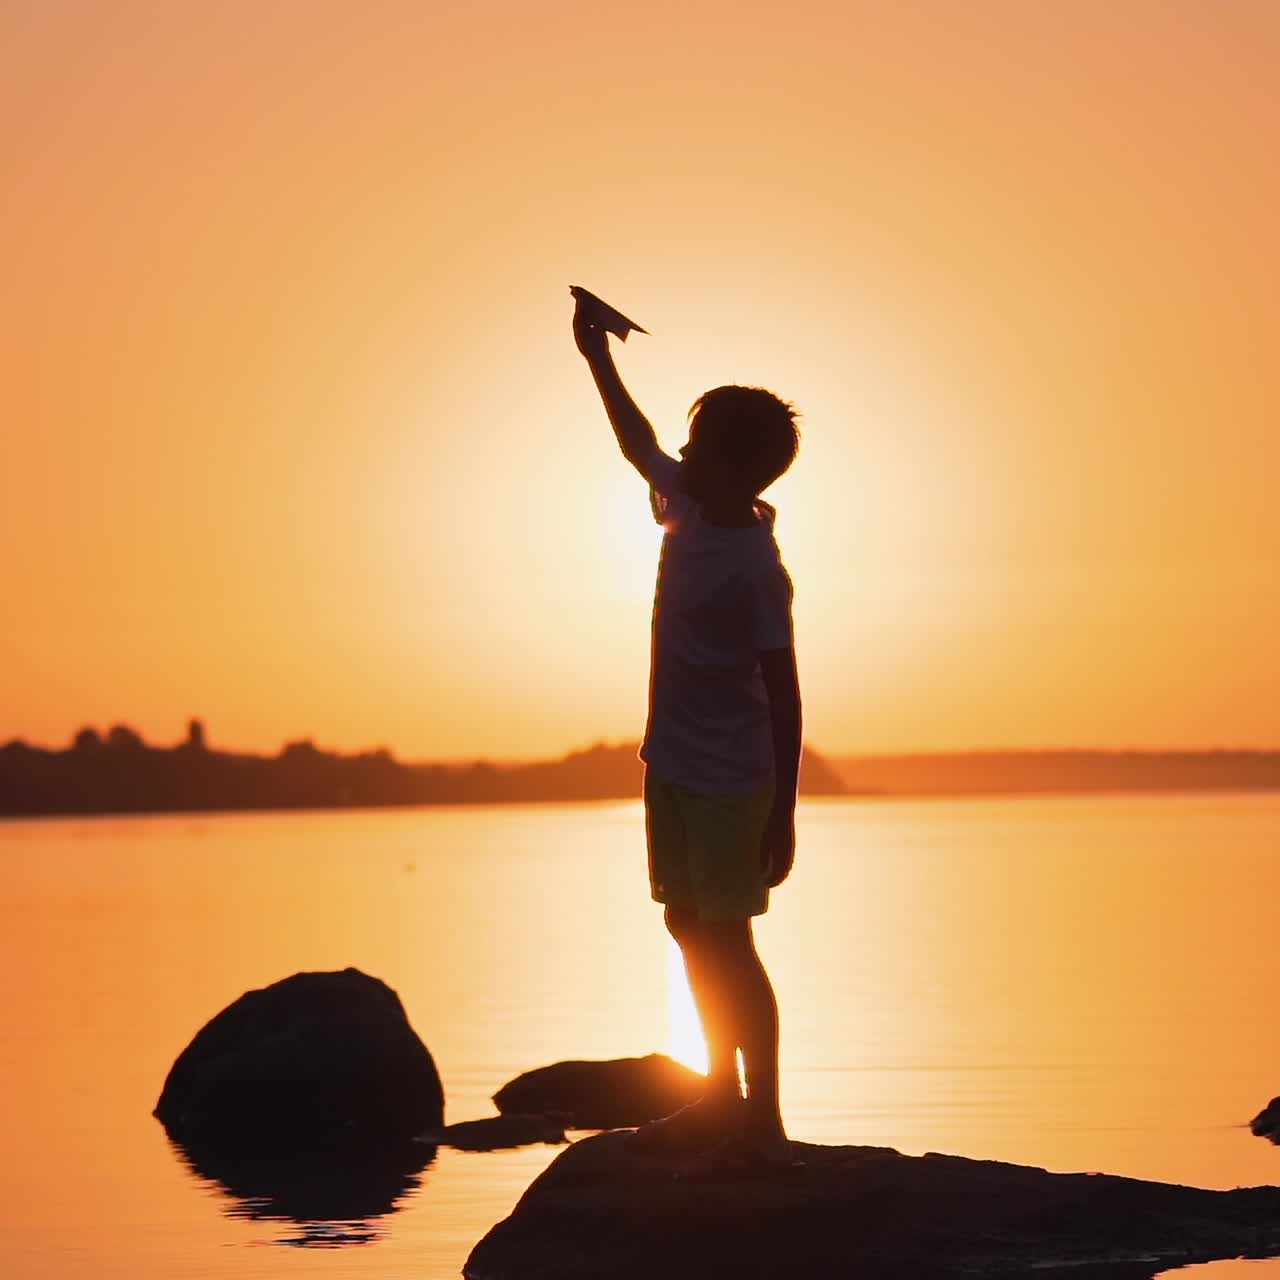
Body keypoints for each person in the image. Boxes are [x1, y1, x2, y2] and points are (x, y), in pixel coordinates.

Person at [573, 299, 803, 1175]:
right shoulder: (687, 509)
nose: (683, 452)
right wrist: (595, 357)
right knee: (684, 923)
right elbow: (635, 442)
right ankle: (720, 1097)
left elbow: (786, 694)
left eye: (700, 444)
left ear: (743, 469)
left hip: (733, 780)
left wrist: (783, 812)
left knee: (730, 940)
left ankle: (765, 1119)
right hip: (669, 765)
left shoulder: (757, 566)